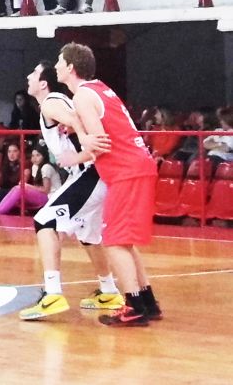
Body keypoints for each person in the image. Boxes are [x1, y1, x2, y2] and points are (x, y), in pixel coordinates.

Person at [56, 42, 162, 326]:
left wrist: (74, 156)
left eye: (59, 61)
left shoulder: (82, 95)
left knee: (113, 240)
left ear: (70, 67)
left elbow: (100, 142)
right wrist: (79, 128)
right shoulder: (100, 88)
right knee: (123, 240)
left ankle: (134, 306)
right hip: (136, 167)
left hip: (126, 171)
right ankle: (147, 302)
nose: (56, 66)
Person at [17, 62, 123, 321]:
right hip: (92, 174)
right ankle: (109, 291)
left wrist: (81, 139)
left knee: (44, 221)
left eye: (33, 73)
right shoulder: (59, 101)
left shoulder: (51, 101)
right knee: (88, 235)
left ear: (43, 83)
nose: (28, 76)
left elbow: (72, 117)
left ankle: (52, 294)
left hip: (90, 173)